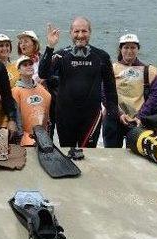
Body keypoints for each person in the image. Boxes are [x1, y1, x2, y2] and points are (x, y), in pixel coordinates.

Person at [38, 18, 118, 148]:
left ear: (90, 32)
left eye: (84, 31)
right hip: (65, 116)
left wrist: (112, 115)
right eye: (76, 31)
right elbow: (43, 73)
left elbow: (110, 89)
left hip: (91, 117)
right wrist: (50, 47)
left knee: (88, 156)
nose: (80, 35)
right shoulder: (61, 55)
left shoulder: (101, 56)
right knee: (67, 154)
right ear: (70, 33)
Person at [102, 34, 157, 148]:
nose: (129, 51)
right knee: (112, 154)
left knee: (136, 156)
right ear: (120, 49)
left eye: (133, 47)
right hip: (114, 119)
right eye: (126, 47)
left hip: (138, 121)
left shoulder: (149, 70)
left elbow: (155, 95)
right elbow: (104, 94)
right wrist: (119, 113)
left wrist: (140, 116)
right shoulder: (111, 69)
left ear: (138, 49)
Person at [12, 56, 52, 146]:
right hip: (26, 138)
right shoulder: (15, 91)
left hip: (44, 137)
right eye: (25, 65)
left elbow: (48, 114)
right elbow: (16, 116)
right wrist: (20, 136)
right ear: (18, 71)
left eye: (30, 64)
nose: (29, 66)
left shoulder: (42, 88)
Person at [0, 33, 19, 129]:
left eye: (7, 45)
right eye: (1, 45)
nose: (5, 48)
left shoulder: (16, 68)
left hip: (11, 116)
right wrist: (0, 97)